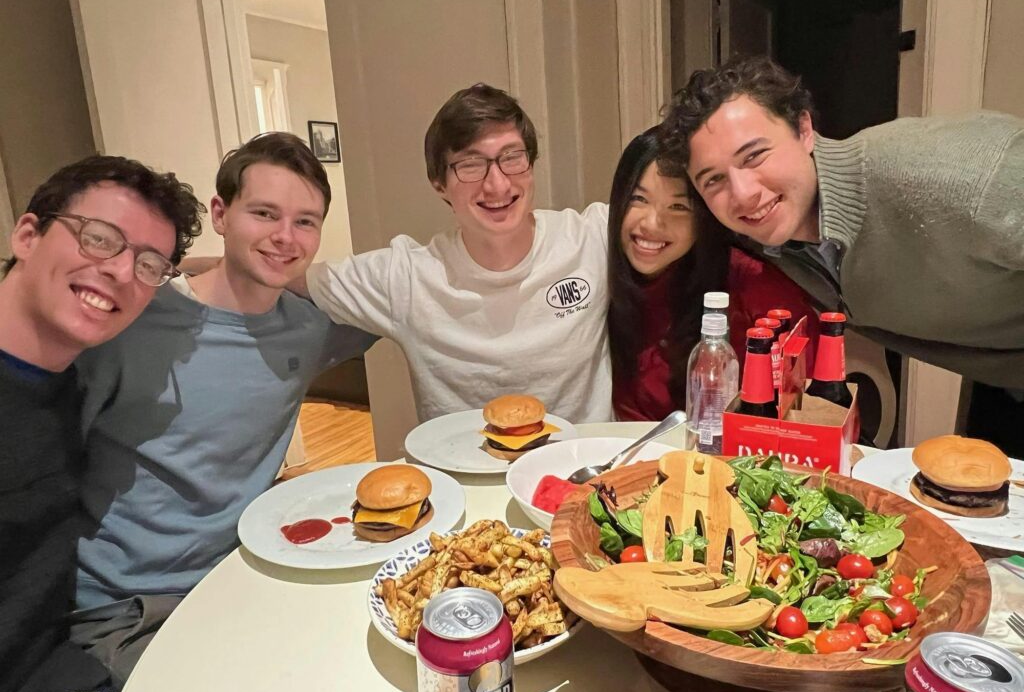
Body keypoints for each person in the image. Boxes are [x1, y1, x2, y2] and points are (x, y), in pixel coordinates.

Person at [71, 133, 377, 688]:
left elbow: (406, 303)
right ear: (220, 212)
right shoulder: (128, 325)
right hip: (126, 608)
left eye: (305, 222)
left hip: (247, 577)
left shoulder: (309, 328)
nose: (286, 237)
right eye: (264, 213)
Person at [659, 56, 1024, 395]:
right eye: (713, 180)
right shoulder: (764, 242)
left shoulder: (956, 177)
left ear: (804, 130)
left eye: (755, 155)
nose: (743, 194)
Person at [0, 155, 203, 692]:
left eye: (148, 264)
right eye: (99, 238)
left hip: (56, 662)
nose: (118, 270)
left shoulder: (73, 383)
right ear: (27, 235)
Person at [305, 84, 612, 422]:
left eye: (512, 158)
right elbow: (286, 273)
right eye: (470, 165)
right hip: (463, 472)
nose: (498, 185)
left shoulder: (592, 237)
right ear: (439, 184)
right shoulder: (409, 276)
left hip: (586, 468)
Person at [608, 128, 818, 421]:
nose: (652, 224)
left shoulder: (755, 289)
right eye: (638, 199)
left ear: (705, 218)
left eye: (679, 206)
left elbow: (807, 412)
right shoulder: (605, 277)